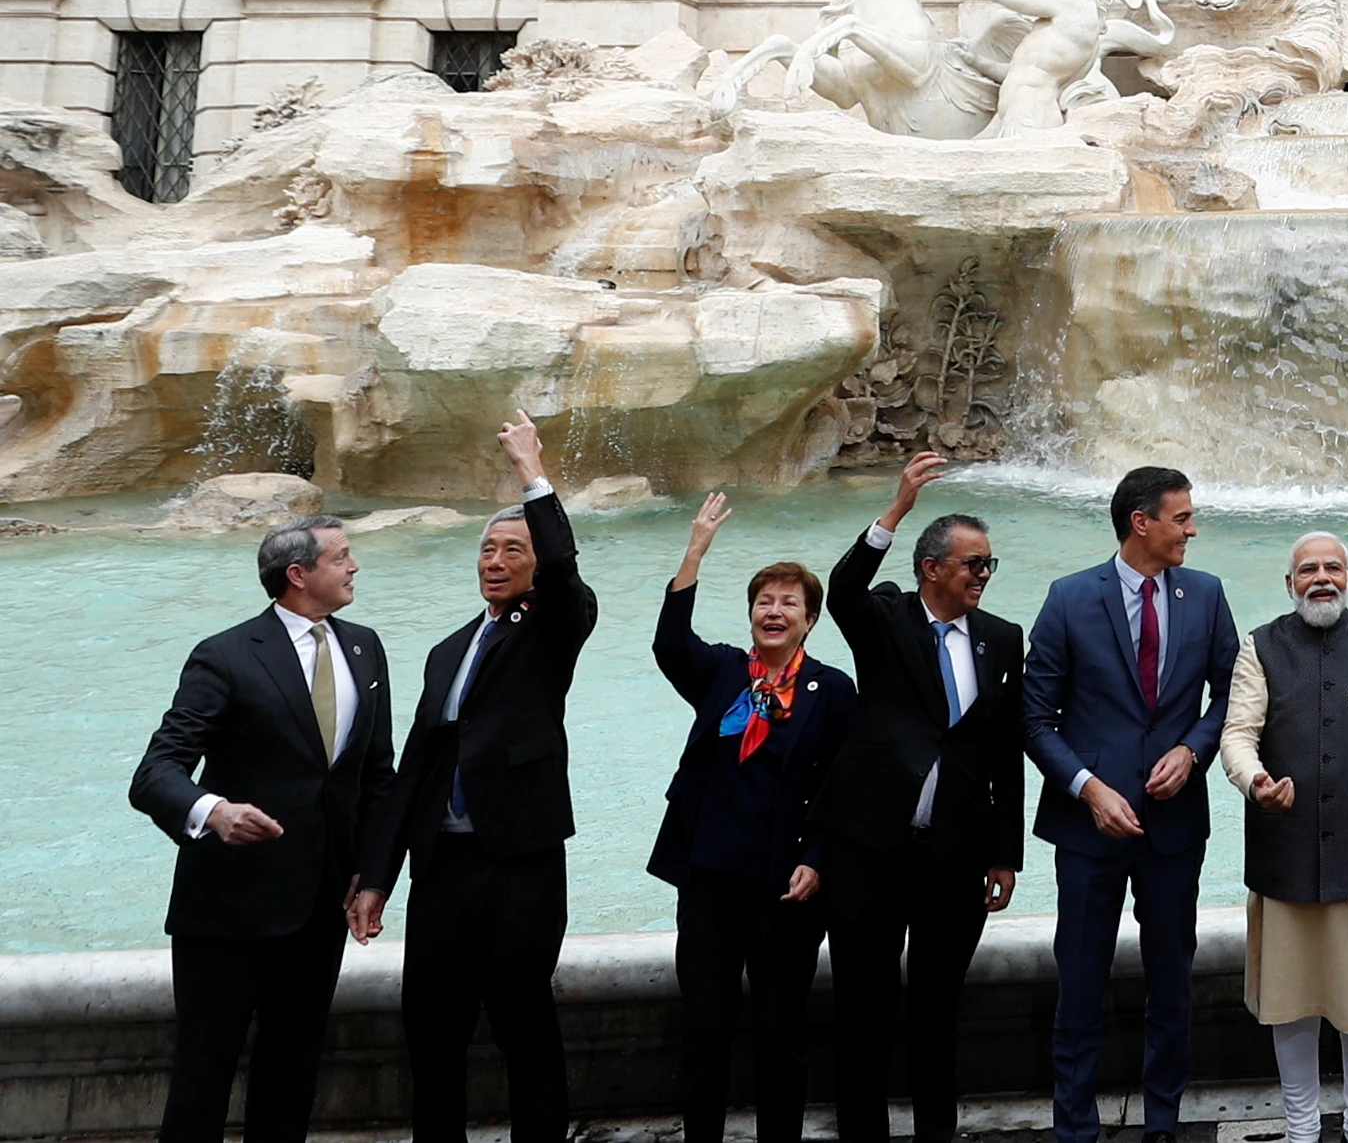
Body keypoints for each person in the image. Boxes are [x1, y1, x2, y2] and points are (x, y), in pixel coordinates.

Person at [351, 412, 599, 1143]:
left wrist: (532, 474)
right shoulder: (447, 648)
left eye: (511, 548)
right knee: (431, 1032)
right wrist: (375, 874)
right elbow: (415, 770)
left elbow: (561, 567)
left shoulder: (556, 624)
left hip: (519, 860)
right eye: (487, 547)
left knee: (526, 1026)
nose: (495, 559)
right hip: (442, 867)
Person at [131, 514, 395, 1143]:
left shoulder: (365, 646)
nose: (354, 566)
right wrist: (213, 812)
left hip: (320, 906)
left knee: (293, 1075)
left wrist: (375, 875)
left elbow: (377, 777)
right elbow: (156, 772)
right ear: (298, 575)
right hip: (227, 912)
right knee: (203, 1076)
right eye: (342, 557)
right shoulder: (223, 654)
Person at [1026, 465, 1241, 1143]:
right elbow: (1035, 717)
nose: (1192, 528)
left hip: (1175, 827)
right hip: (1088, 829)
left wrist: (1195, 748)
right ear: (1140, 522)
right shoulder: (1066, 598)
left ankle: (1163, 1125)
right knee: (1079, 985)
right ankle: (1075, 1130)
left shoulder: (1206, 594)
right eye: (1182, 517)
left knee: (1172, 983)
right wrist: (1088, 786)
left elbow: (1234, 693)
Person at [817, 450, 1027, 1143]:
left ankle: (938, 1133)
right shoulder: (885, 617)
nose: (984, 575)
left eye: (990, 564)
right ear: (932, 566)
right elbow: (842, 589)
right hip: (870, 850)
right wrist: (897, 506)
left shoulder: (1001, 638)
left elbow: (1004, 752)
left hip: (955, 855)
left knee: (939, 1011)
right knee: (863, 1011)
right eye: (974, 564)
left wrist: (1005, 853)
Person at [649, 494, 862, 1143]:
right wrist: (695, 550)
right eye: (764, 600)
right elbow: (669, 641)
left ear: (810, 618)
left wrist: (817, 859)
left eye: (788, 601)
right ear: (751, 613)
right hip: (710, 882)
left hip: (785, 887)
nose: (774, 610)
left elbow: (842, 789)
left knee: (780, 1034)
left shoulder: (833, 690)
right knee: (704, 1033)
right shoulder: (721, 672)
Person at [1222, 534, 1348, 1143]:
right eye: (1307, 570)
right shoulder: (1259, 646)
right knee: (1290, 1006)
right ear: (1289, 584)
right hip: (1283, 859)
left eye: (1332, 568)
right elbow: (1238, 732)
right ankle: (1300, 1130)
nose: (1321, 578)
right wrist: (1254, 779)